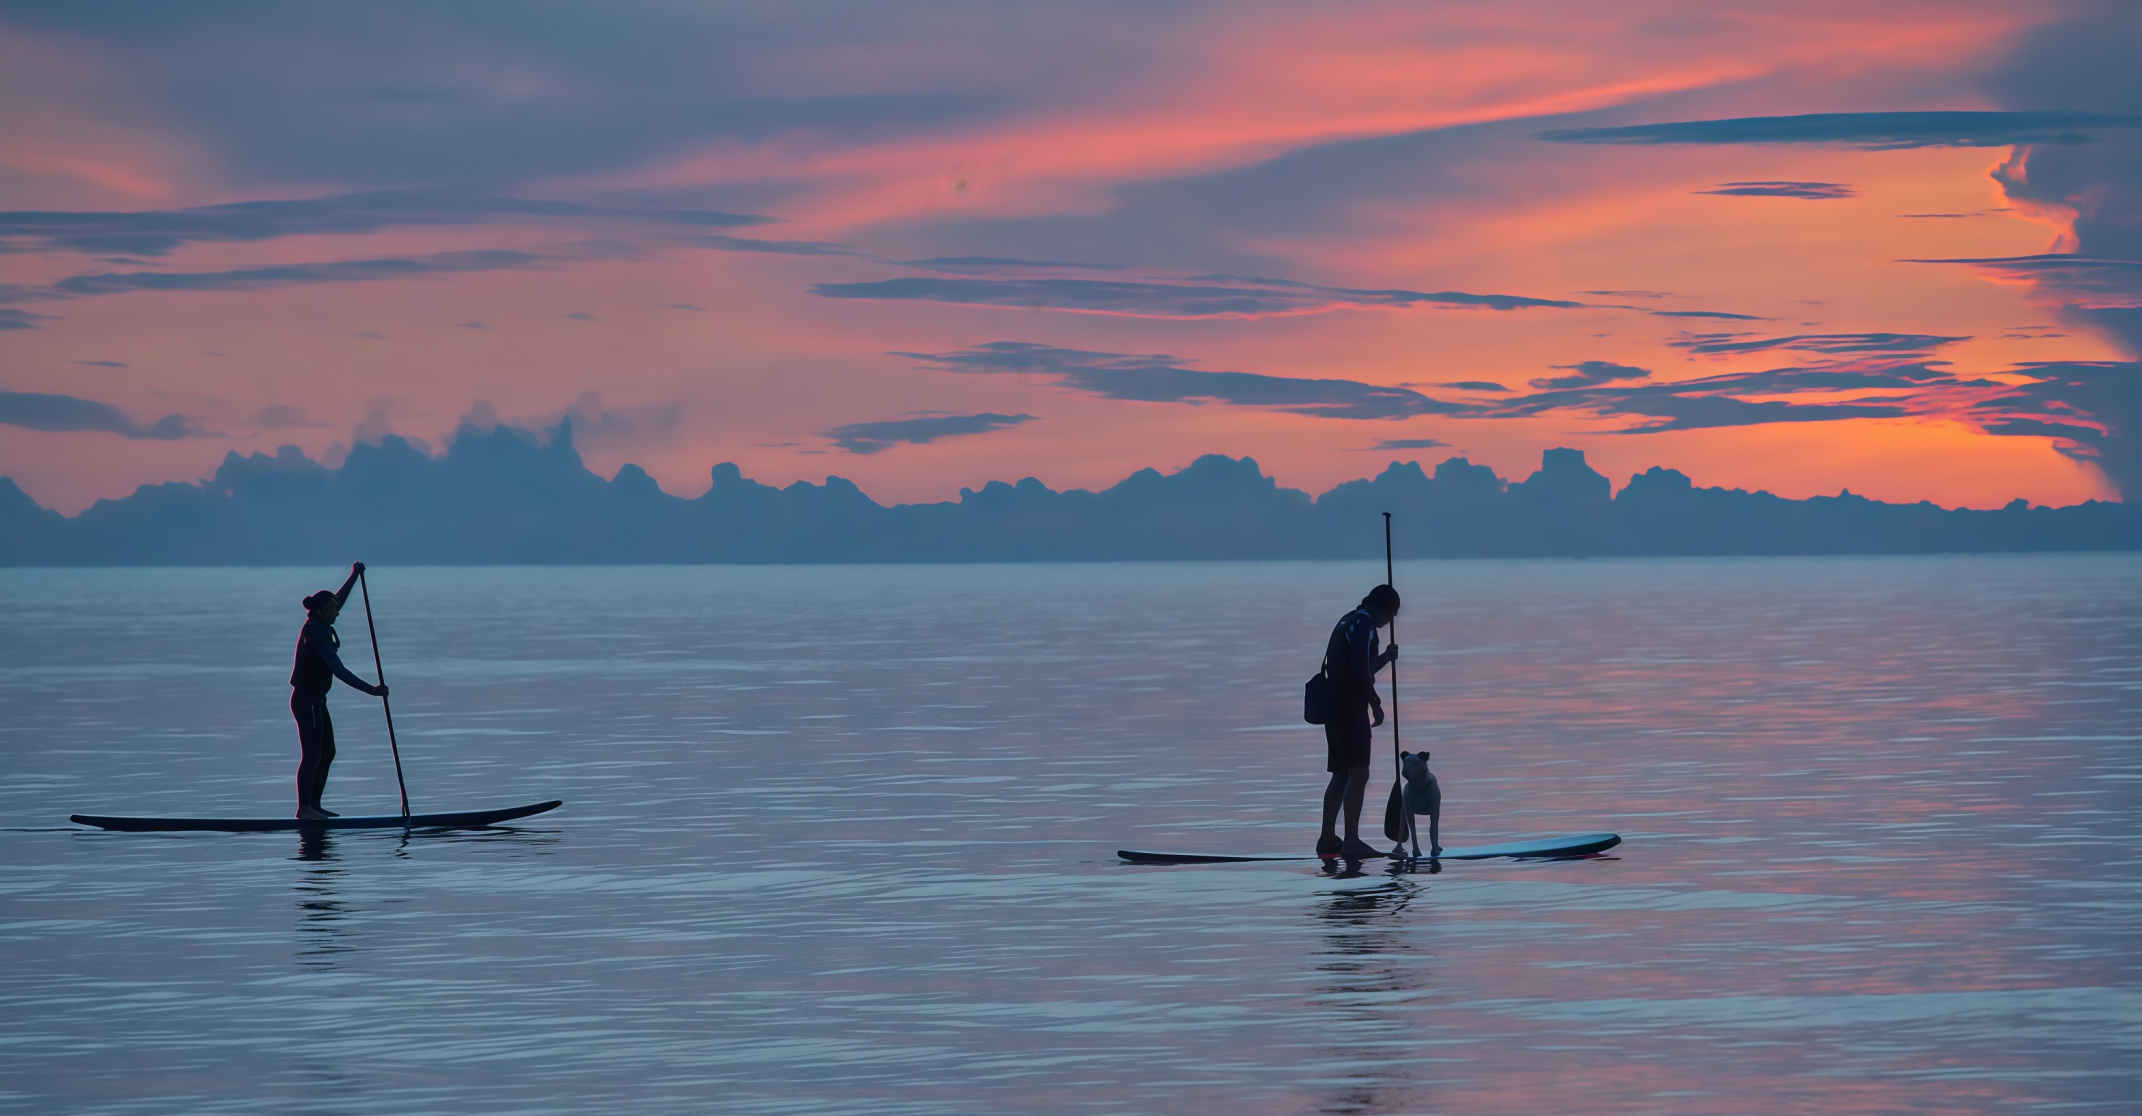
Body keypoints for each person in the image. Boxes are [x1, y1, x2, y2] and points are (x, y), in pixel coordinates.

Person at [291, 563, 387, 820]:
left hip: (317, 701)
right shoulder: (315, 633)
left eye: (335, 606)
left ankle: (315, 807)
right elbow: (338, 669)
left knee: (328, 752)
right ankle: (304, 810)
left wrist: (354, 575)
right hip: (306, 701)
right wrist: (371, 690)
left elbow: (338, 600)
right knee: (312, 754)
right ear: (321, 611)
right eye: (332, 608)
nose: (338, 611)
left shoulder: (320, 620)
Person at [1317, 584, 1399, 859]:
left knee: (1341, 774)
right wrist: (1375, 702)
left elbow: (1359, 664)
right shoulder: (1364, 623)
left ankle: (1328, 839)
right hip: (1349, 708)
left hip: (1333, 705)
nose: (1387, 623)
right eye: (1390, 616)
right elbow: (1357, 671)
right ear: (1382, 609)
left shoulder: (1349, 619)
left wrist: (1385, 658)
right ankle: (1351, 841)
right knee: (1359, 773)